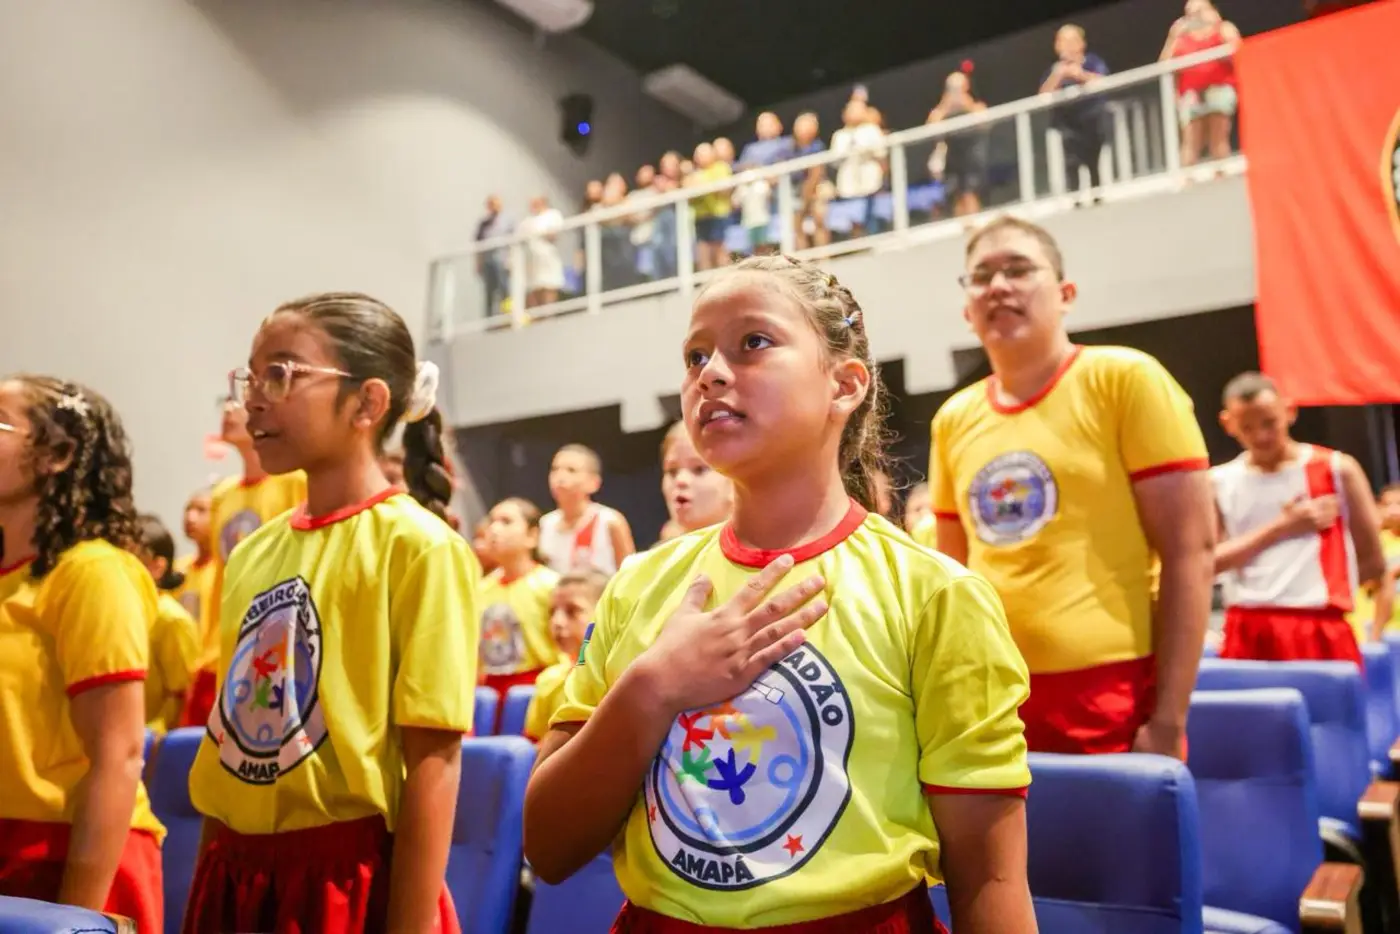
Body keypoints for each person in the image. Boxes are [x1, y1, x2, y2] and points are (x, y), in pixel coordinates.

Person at [524, 255, 1034, 933]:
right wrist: (652, 688)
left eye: (753, 342)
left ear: (844, 385)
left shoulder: (935, 595)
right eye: (695, 356)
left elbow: (990, 879)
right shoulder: (638, 586)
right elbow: (549, 847)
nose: (710, 373)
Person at [182, 293, 479, 934]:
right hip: (232, 873)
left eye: (281, 374)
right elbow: (230, 738)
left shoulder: (420, 547)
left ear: (367, 403)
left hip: (342, 883)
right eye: (250, 378)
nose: (253, 399)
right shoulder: (252, 552)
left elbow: (434, 763)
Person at [929, 216, 1215, 758]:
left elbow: (1191, 554)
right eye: (982, 276)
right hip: (990, 694)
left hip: (1109, 692)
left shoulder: (1127, 379)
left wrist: (1169, 717)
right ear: (967, 310)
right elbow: (953, 580)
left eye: (1018, 270)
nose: (999, 286)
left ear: (1066, 294)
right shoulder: (953, 419)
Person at [0, 376, 164, 933]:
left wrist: (75, 919)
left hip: (77, 861)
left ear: (59, 455)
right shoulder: (13, 578)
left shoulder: (92, 572)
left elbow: (118, 757)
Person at [1212, 372, 1388, 663]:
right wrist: (1283, 526)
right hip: (1245, 625)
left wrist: (1319, 587)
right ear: (1228, 423)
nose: (1261, 436)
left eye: (1269, 422)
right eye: (1247, 427)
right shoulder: (1218, 481)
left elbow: (1373, 562)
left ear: (1289, 410)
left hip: (1319, 624)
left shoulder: (1336, 469)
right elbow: (1207, 564)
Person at [180, 400, 307, 729]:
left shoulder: (294, 482)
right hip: (222, 648)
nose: (228, 410)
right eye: (225, 404)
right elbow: (220, 577)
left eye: (239, 403)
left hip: (278, 646)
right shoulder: (223, 495)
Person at [479, 497, 562, 710]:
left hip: (536, 690)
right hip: (489, 691)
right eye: (492, 521)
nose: (494, 529)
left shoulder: (550, 585)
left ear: (532, 536)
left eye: (506, 521)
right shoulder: (481, 589)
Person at [522, 570, 609, 743]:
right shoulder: (549, 680)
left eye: (572, 611)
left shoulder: (615, 679)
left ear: (605, 615)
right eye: (552, 612)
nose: (557, 622)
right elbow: (535, 744)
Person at [134, 513, 200, 733]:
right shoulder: (128, 611)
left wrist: (154, 733)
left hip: (157, 742)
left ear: (157, 567)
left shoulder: (171, 619)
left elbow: (183, 695)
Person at [539, 444, 635, 575]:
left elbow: (630, 574)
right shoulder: (545, 524)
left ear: (594, 482)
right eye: (555, 469)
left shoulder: (610, 521)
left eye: (571, 470)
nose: (560, 476)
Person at [1040, 25, 1111, 203]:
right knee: (1071, 164)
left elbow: (1103, 81)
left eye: (1072, 41)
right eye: (1063, 41)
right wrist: (1058, 76)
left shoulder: (1093, 62)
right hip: (1067, 126)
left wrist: (1079, 75)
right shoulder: (1054, 70)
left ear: (1082, 43)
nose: (1068, 46)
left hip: (1092, 121)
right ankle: (1075, 198)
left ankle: (1098, 194)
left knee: (1094, 161)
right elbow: (1042, 96)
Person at [660, 420, 733, 538]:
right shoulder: (664, 548)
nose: (680, 480)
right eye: (672, 471)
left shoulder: (757, 544)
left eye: (699, 469)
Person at [1351, 483, 1400, 640]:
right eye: (1387, 505)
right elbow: (1367, 581)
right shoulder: (1373, 542)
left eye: (1399, 504)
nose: (1393, 511)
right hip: (1370, 623)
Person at [172, 488, 216, 624]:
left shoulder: (224, 571)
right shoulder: (177, 568)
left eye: (201, 510)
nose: (190, 518)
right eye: (188, 509)